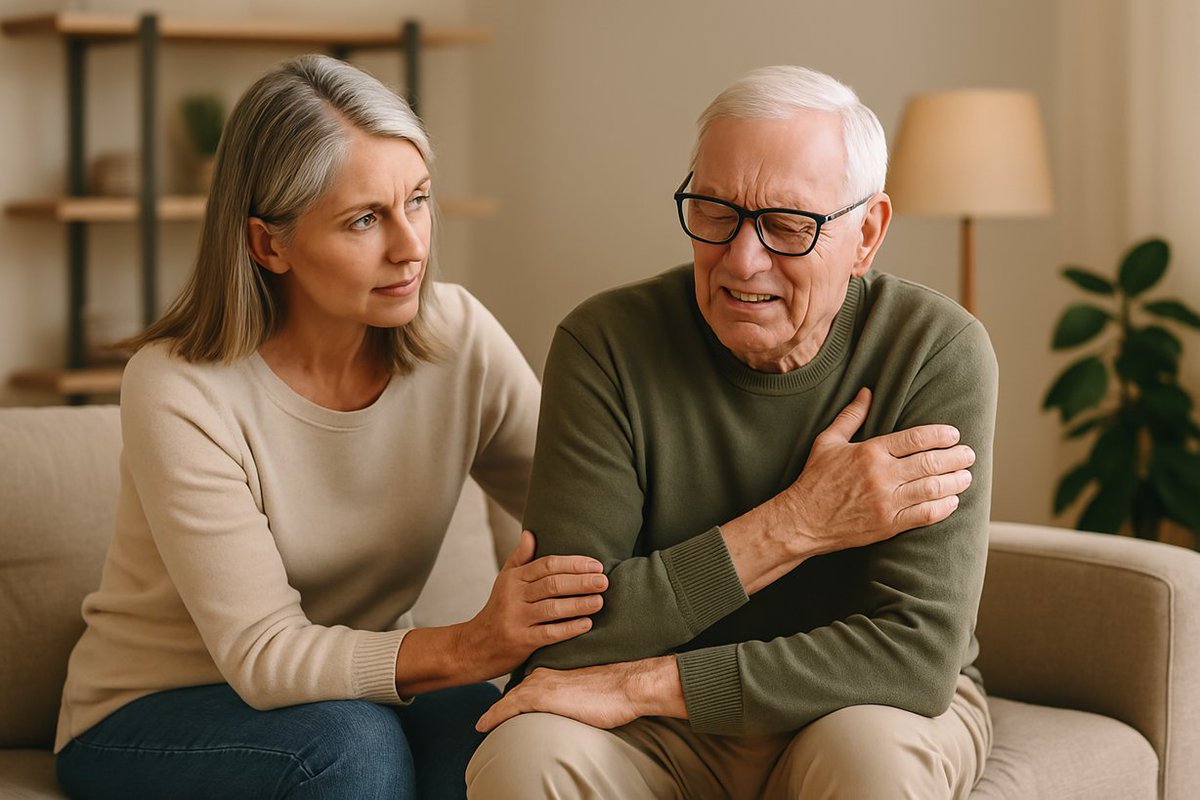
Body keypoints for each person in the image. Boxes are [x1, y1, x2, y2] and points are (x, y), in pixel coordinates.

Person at [53, 54, 610, 800]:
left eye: (417, 200)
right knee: (348, 747)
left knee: (503, 736)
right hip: (149, 712)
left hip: (357, 695)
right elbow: (264, 655)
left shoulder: (459, 335)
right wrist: (477, 642)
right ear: (268, 244)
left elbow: (590, 500)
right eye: (364, 219)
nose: (411, 247)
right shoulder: (178, 387)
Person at [467, 65, 996, 799]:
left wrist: (645, 681)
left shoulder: (934, 350)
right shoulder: (606, 344)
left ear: (867, 233)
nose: (742, 260)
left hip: (857, 708)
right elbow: (568, 638)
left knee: (869, 762)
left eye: (787, 226)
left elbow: (913, 656)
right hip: (657, 737)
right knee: (523, 756)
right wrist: (797, 524)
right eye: (715, 211)